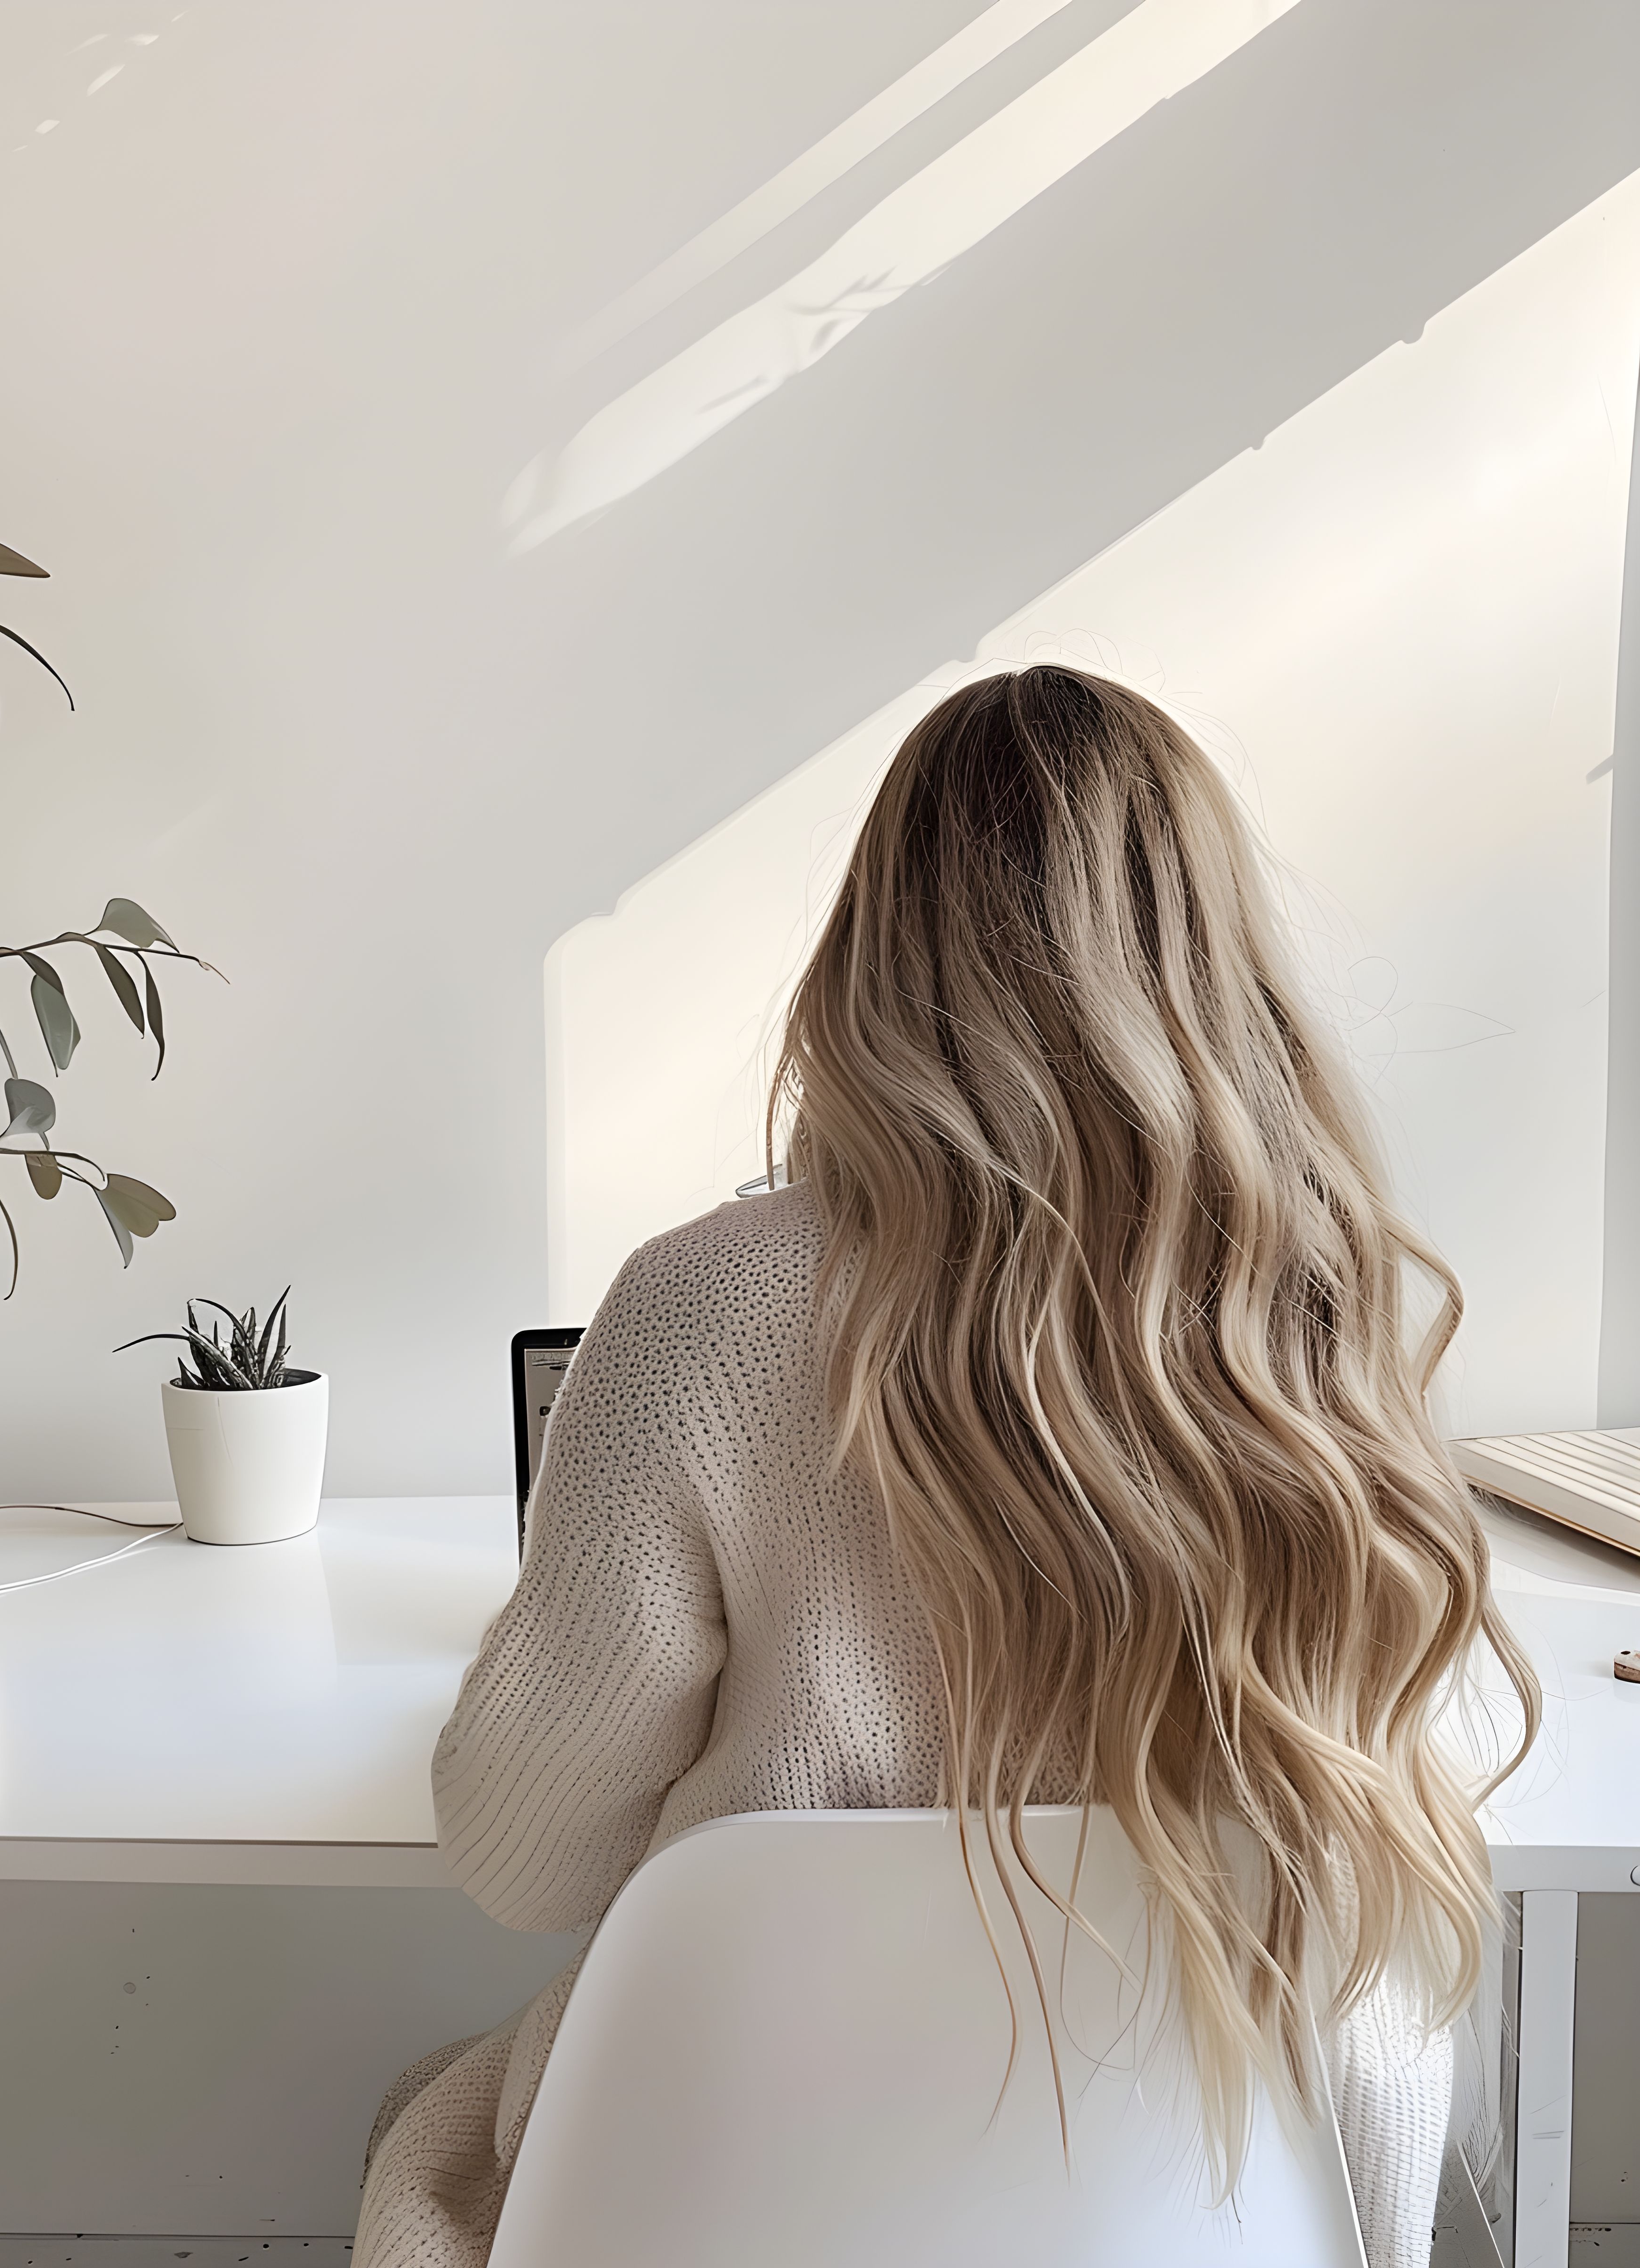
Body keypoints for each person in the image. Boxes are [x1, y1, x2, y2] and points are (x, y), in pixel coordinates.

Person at [352, 666, 1537, 2268]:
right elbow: (1373, 2008)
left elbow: (518, 1858)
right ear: (1215, 969)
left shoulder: (709, 1307)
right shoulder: (1306, 1327)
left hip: (726, 2207)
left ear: (874, 948)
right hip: (1177, 2228)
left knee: (417, 2123)